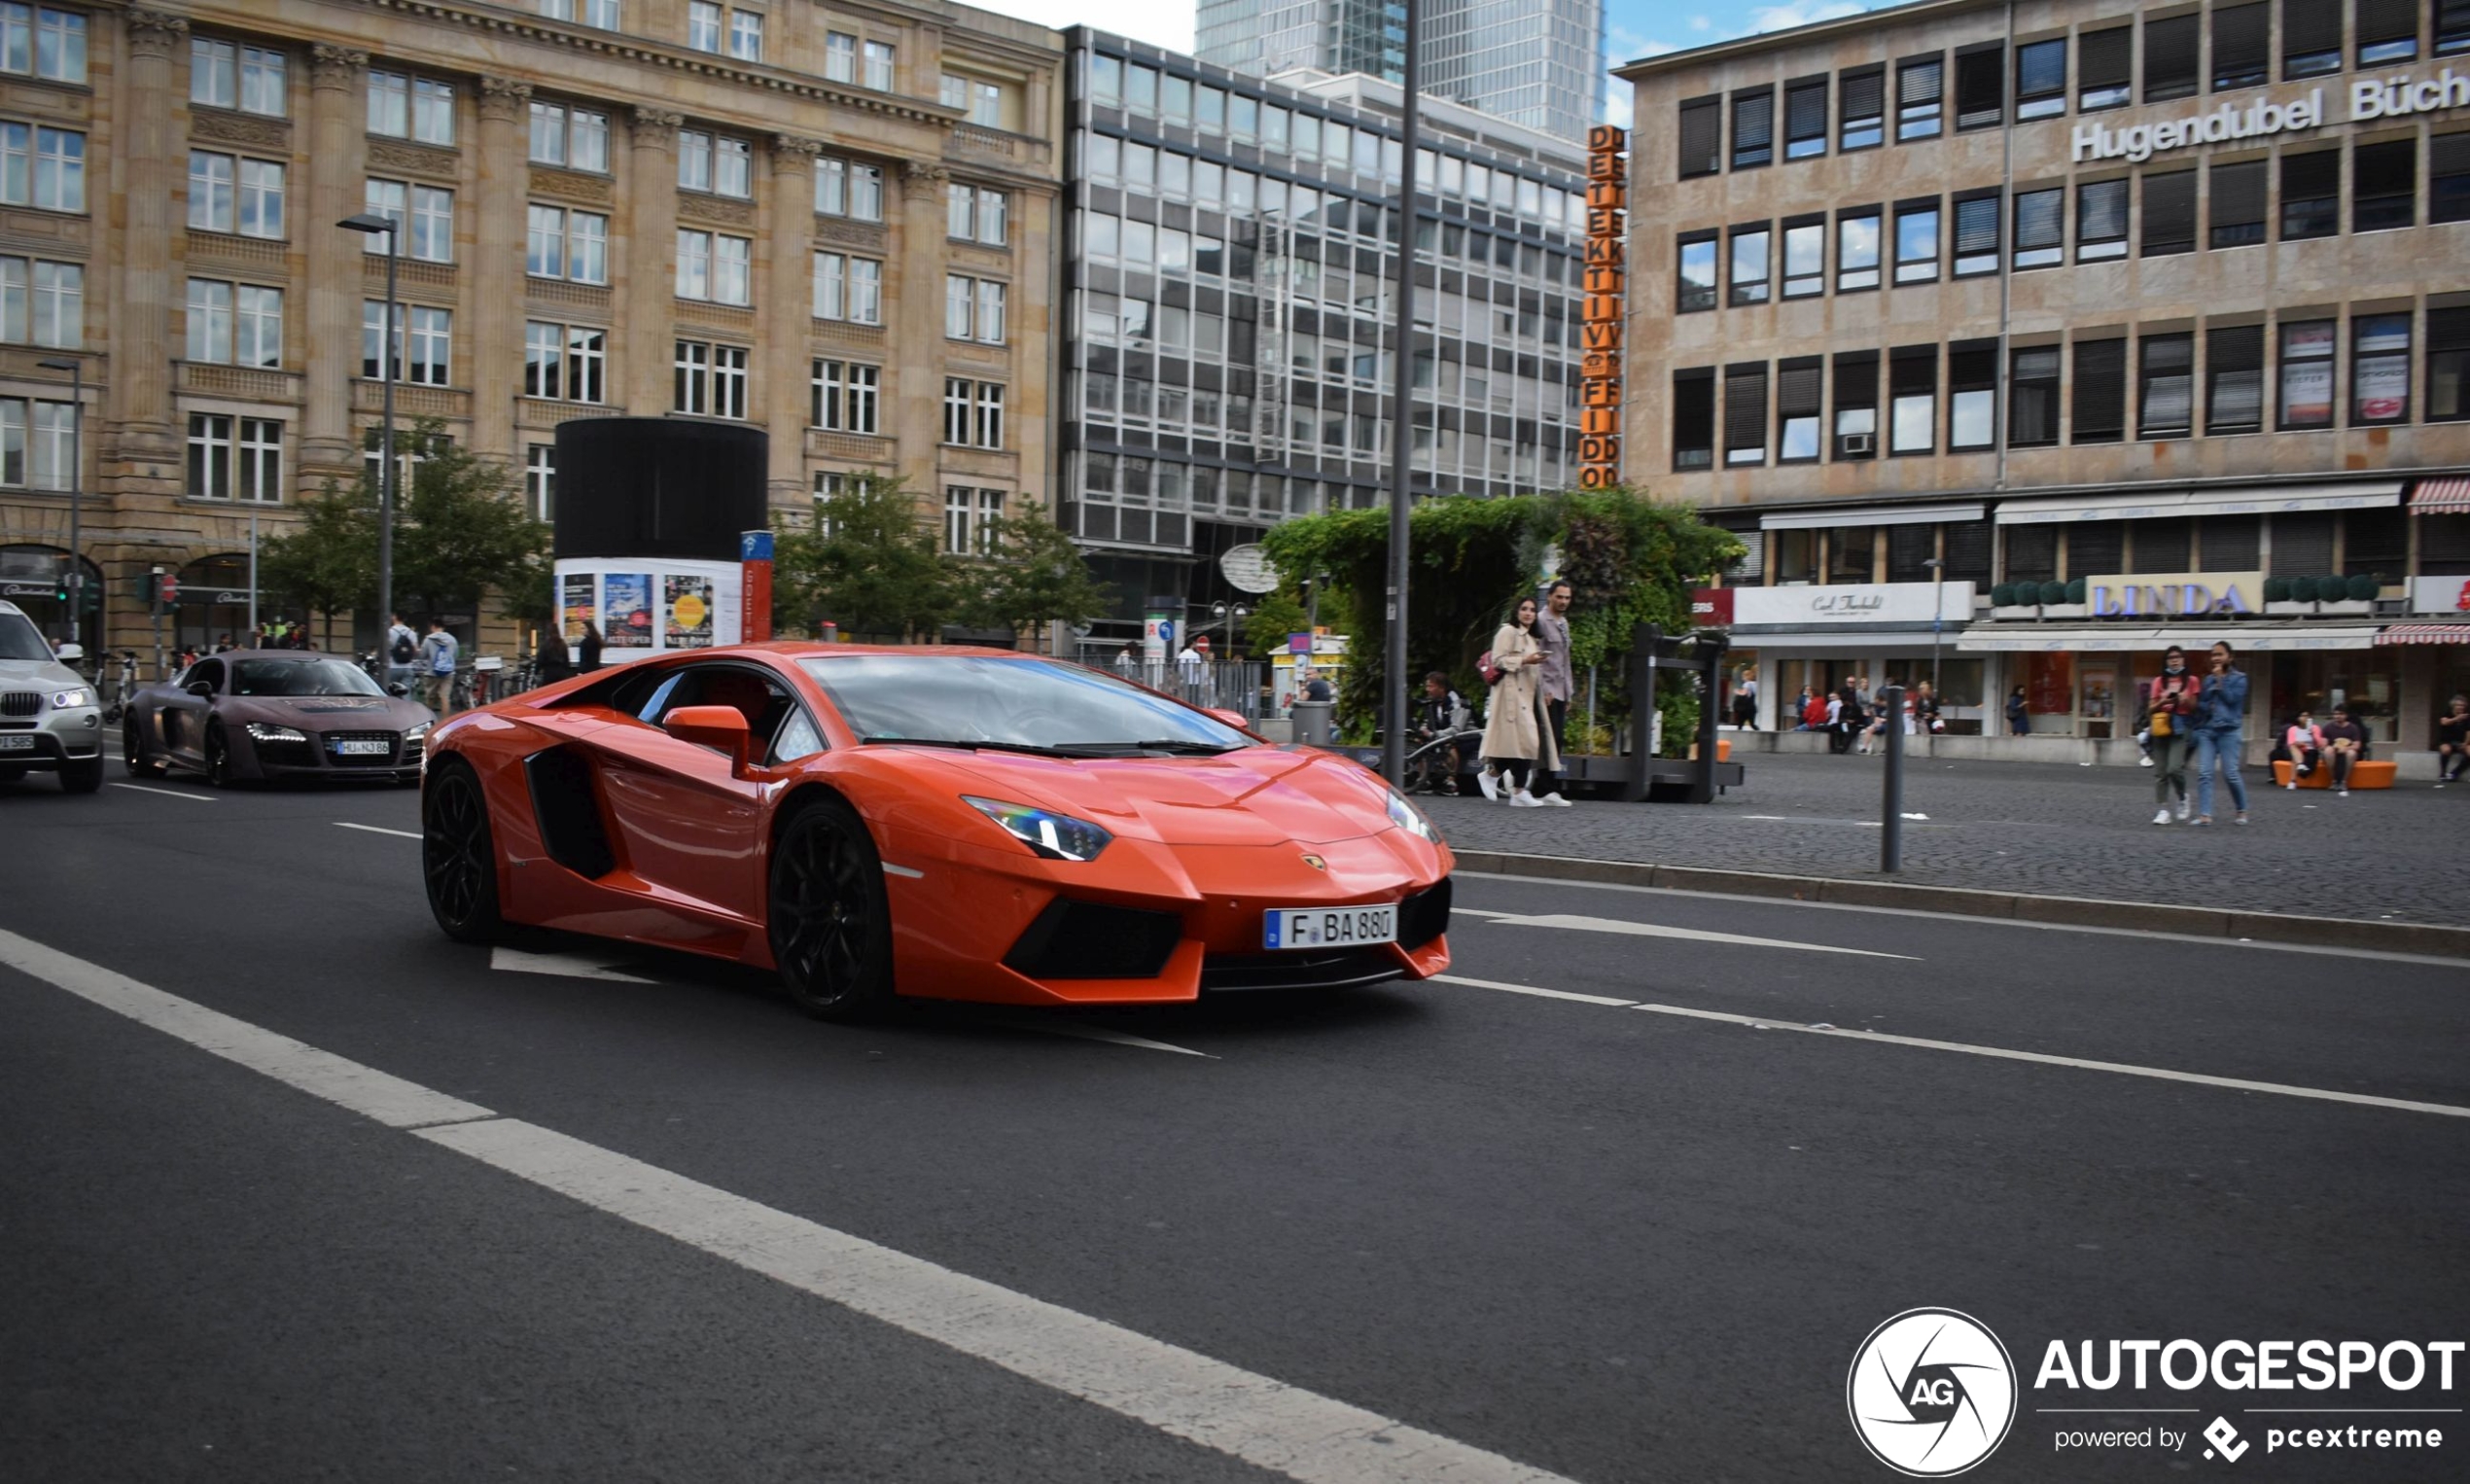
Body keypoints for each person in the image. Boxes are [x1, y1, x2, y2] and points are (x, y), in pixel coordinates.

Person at [1475, 594, 1563, 807]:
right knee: (1523, 744)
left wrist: (1544, 691)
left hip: (1529, 697)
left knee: (1528, 744)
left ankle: (1515, 790)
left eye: (1532, 610)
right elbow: (1497, 660)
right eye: (1524, 609)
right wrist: (1525, 660)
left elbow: (1534, 673)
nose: (1529, 613)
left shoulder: (1531, 638)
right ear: (1517, 611)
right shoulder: (1508, 631)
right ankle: (1497, 778)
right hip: (1510, 697)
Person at [2188, 640, 2249, 827]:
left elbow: (2232, 700)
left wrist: (2220, 680)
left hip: (2229, 731)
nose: (2216, 658)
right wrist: (2202, 704)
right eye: (2213, 654)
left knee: (2230, 773)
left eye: (2220, 654)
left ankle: (2241, 810)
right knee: (2205, 773)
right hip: (2208, 730)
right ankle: (2205, 814)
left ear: (2230, 657)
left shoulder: (2240, 678)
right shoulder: (2208, 680)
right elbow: (2203, 705)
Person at [2140, 645, 2203, 824]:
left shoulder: (2192, 681)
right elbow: (2149, 710)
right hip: (2161, 725)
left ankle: (2183, 797)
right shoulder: (2159, 681)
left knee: (2174, 768)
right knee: (2160, 772)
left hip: (2181, 725)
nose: (2174, 660)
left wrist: (2185, 699)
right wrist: (2162, 701)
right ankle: (2163, 809)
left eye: (2178, 657)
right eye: (2170, 657)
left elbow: (2195, 707)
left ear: (2183, 659)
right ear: (2166, 661)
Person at [1531, 580, 1574, 797]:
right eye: (1560, 597)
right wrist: (1543, 689)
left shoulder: (1563, 623)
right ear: (1550, 596)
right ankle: (1546, 787)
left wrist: (1569, 693)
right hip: (1546, 689)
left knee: (1557, 738)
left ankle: (1547, 786)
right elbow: (1537, 657)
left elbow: (1566, 660)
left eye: (1567, 597)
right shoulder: (1540, 620)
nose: (1563, 601)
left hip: (1560, 689)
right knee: (1549, 737)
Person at [1412, 672, 1473, 795]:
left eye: (1431, 686)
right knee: (1419, 742)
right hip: (1443, 734)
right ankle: (1423, 780)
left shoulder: (1457, 701)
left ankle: (1451, 783)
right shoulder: (1433, 702)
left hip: (1468, 735)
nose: (1427, 690)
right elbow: (1428, 722)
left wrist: (1434, 735)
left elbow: (1457, 729)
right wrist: (1423, 732)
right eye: (1427, 686)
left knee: (1448, 744)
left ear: (1442, 688)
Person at [2321, 704, 2367, 795]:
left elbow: (2357, 745)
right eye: (2335, 714)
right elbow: (2323, 744)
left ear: (2346, 715)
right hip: (2333, 751)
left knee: (2351, 753)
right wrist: (2333, 747)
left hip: (2347, 751)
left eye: (2341, 714)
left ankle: (2343, 781)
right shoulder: (2328, 727)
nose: (2338, 716)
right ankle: (2334, 780)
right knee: (2328, 751)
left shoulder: (2353, 728)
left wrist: (2346, 748)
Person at [419, 617, 458, 717]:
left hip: (432, 673)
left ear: (433, 626)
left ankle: (428, 720)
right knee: (445, 697)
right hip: (448, 672)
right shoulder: (452, 639)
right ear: (443, 627)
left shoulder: (428, 639)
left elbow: (422, 655)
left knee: (430, 697)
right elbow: (455, 655)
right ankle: (445, 722)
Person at [2282, 709, 2326, 787]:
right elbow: (2290, 743)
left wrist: (2313, 734)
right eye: (2303, 716)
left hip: (2310, 752)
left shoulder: (2315, 728)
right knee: (2293, 748)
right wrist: (2299, 744)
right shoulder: (2292, 729)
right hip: (2296, 751)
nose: (2306, 718)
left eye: (2308, 716)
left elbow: (2319, 744)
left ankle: (2297, 773)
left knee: (2295, 757)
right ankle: (2294, 778)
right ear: (2298, 718)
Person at [2436, 695, 2470, 787]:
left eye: (2462, 705)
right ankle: (2442, 774)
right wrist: (2457, 718)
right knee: (2446, 750)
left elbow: (2468, 732)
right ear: (2453, 706)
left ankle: (2454, 773)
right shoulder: (2447, 714)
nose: (2461, 707)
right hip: (2446, 741)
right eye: (2458, 705)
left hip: (2461, 742)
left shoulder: (2467, 717)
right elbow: (2444, 722)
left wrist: (2465, 743)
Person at [384, 611, 419, 689]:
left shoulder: (389, 632)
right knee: (406, 692)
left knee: (391, 693)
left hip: (392, 666)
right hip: (408, 667)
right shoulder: (411, 633)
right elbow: (416, 650)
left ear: (394, 617)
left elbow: (385, 649)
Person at [1835, 674, 1866, 756]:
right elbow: (1840, 718)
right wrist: (1846, 720)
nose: (1851, 684)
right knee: (1837, 728)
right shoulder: (1842, 706)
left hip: (1855, 723)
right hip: (1846, 722)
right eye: (1849, 682)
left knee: (1849, 732)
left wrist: (1852, 721)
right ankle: (1837, 747)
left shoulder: (1856, 706)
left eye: (1853, 682)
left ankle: (1842, 748)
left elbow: (1860, 718)